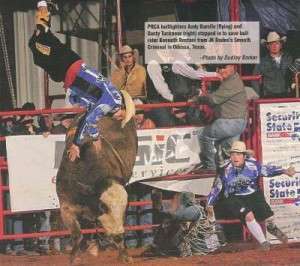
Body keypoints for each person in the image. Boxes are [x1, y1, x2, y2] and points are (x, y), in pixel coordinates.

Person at [29, 1, 131, 162]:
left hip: (69, 72)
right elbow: (90, 119)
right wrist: (80, 142)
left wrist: (81, 140)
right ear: (123, 107)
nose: (121, 119)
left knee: (38, 50)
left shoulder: (110, 104)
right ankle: (43, 7)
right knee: (39, 41)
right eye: (123, 116)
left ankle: (45, 17)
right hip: (70, 67)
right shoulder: (113, 102)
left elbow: (88, 117)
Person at [206, 141, 296, 250]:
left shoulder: (253, 165)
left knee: (269, 217)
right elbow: (216, 187)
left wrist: (284, 171)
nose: (235, 157)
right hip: (234, 197)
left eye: (238, 154)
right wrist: (210, 203)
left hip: (253, 194)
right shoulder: (224, 170)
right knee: (248, 216)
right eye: (233, 154)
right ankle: (264, 243)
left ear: (244, 156)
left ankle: (271, 226)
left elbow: (267, 170)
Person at [192, 64, 247, 170]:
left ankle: (210, 168)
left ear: (232, 67)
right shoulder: (232, 80)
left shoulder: (232, 82)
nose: (220, 70)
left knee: (203, 135)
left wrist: (198, 99)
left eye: (224, 67)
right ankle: (231, 175)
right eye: (218, 68)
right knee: (228, 151)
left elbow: (214, 100)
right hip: (236, 123)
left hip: (230, 122)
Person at [147, 191, 222, 257]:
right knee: (172, 223)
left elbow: (177, 216)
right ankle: (161, 248)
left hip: (201, 246)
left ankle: (165, 248)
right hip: (203, 244)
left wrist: (160, 209)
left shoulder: (194, 209)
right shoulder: (194, 209)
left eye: (180, 199)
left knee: (173, 223)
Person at [252, 31, 293, 98]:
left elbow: (294, 76)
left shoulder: (288, 59)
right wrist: (261, 95)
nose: (274, 46)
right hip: (268, 96)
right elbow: (254, 80)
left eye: (277, 43)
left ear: (281, 45)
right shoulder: (262, 62)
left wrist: (292, 90)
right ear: (268, 46)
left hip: (286, 95)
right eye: (271, 44)